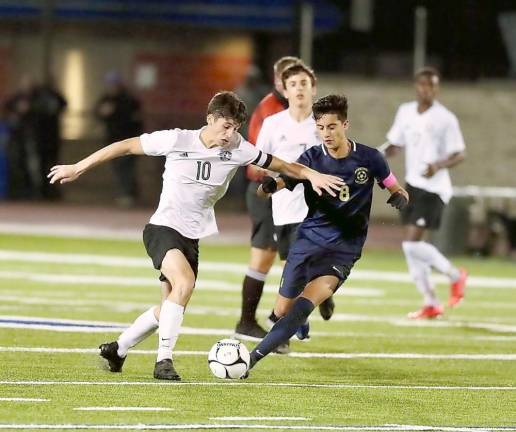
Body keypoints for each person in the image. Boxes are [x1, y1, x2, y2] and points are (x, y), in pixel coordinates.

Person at [48, 91, 344, 381]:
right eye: (225, 126)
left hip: (192, 237)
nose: (230, 134)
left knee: (170, 306)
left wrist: (312, 175)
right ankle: (164, 361)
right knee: (185, 283)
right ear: (210, 119)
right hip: (162, 228)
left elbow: (282, 165)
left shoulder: (239, 148)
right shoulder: (178, 139)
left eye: (235, 128)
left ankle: (118, 348)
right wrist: (78, 166)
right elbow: (125, 146)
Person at [243, 94, 408, 376]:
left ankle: (249, 360)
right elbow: (285, 178)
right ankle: (298, 322)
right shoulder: (312, 159)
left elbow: (394, 186)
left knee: (300, 308)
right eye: (320, 128)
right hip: (308, 242)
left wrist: (400, 196)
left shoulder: (370, 158)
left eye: (331, 127)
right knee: (282, 310)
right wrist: (270, 186)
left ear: (345, 124)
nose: (326, 134)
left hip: (344, 250)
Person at [257, 63, 336, 342]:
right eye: (293, 84)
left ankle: (303, 310)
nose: (299, 89)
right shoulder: (273, 124)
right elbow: (262, 161)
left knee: (315, 260)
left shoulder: (324, 124)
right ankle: (311, 303)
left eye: (304, 83)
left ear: (313, 89)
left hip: (320, 207)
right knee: (293, 264)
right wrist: (274, 180)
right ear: (284, 90)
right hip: (285, 207)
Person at [380, 67, 467, 319]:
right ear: (416, 86)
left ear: (436, 89)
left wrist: (438, 165)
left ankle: (455, 275)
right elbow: (395, 145)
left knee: (411, 242)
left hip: (435, 188)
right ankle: (431, 302)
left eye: (432, 86)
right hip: (412, 186)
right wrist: (373, 155)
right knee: (410, 248)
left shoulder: (446, 118)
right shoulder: (405, 112)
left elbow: (460, 153)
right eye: (423, 85)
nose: (427, 90)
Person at [234, 56, 301, 341]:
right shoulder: (270, 111)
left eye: (301, 82)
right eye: (289, 80)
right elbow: (254, 163)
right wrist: (286, 170)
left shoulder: (305, 114)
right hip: (268, 192)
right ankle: (247, 321)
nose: (296, 87)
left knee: (301, 257)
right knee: (264, 257)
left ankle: (288, 317)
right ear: (278, 81)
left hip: (298, 196)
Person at [95, 71, 142, 207]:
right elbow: (98, 113)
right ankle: (127, 194)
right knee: (118, 169)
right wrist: (102, 112)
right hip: (112, 140)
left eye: (114, 84)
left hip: (129, 141)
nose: (112, 87)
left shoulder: (128, 99)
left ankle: (127, 195)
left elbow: (136, 119)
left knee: (126, 168)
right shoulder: (106, 99)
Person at [35, 77, 67, 200]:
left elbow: (64, 103)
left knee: (53, 164)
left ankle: (53, 190)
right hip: (42, 138)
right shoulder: (38, 98)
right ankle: (44, 191)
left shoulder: (55, 97)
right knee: (43, 165)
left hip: (52, 138)